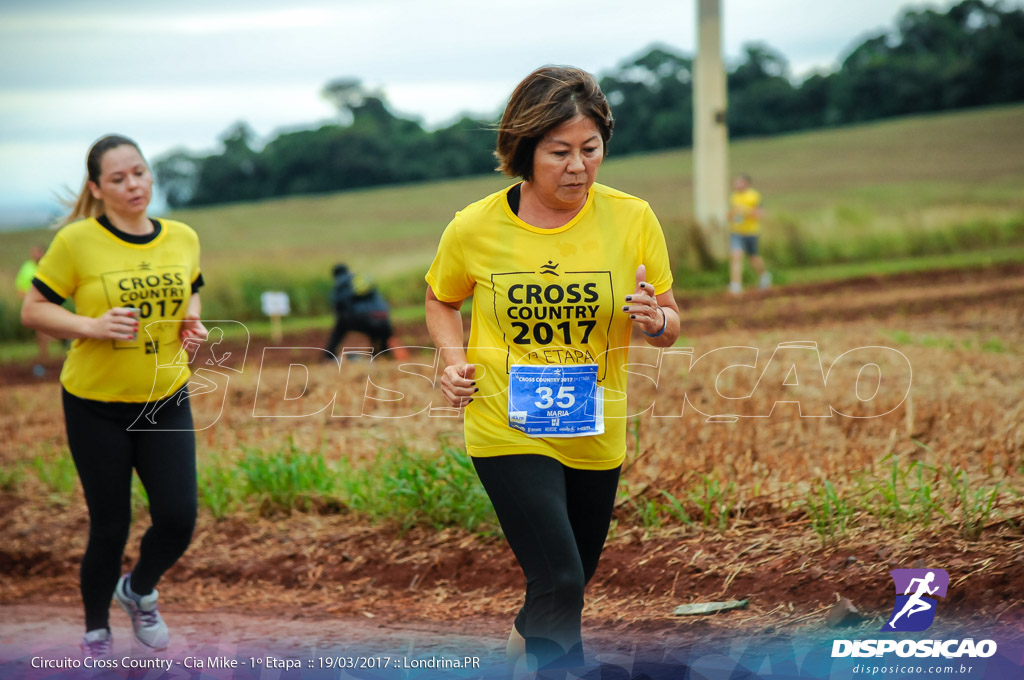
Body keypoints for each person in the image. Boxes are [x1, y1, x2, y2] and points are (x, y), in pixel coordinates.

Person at [424, 66, 680, 673]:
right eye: (560, 152)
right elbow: (441, 298)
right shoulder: (475, 226)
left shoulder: (632, 218)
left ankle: (521, 658)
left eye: (590, 150)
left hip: (595, 428)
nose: (578, 167)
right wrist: (453, 361)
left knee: (568, 586)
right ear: (524, 152)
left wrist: (654, 321)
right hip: (506, 424)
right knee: (561, 578)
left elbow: (671, 324)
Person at [20, 135, 207, 656]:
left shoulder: (182, 236)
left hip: (164, 397)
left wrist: (192, 324)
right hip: (94, 405)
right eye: (119, 178)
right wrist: (91, 325)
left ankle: (139, 591)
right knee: (110, 525)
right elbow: (34, 310)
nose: (133, 186)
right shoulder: (77, 242)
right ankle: (96, 631)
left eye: (140, 173)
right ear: (97, 189)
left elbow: (191, 287)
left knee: (177, 519)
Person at [322, 263, 396, 358]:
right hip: (384, 319)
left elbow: (340, 304)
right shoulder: (361, 279)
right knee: (377, 329)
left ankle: (329, 355)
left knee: (340, 325)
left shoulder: (341, 282)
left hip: (364, 318)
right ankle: (383, 354)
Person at [727, 173, 771, 294]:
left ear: (747, 184)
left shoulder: (754, 196)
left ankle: (764, 276)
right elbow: (730, 215)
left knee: (754, 258)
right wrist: (732, 215)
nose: (737, 184)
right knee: (736, 256)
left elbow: (760, 213)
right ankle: (735, 285)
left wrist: (745, 212)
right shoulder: (734, 197)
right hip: (736, 232)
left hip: (751, 232)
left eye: (740, 182)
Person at [15, 245, 55, 375]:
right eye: (34, 252)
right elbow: (20, 289)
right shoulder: (26, 268)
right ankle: (44, 360)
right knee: (42, 334)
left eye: (38, 252)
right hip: (33, 307)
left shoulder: (48, 266)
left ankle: (45, 360)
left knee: (45, 333)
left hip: (49, 305)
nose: (36, 255)